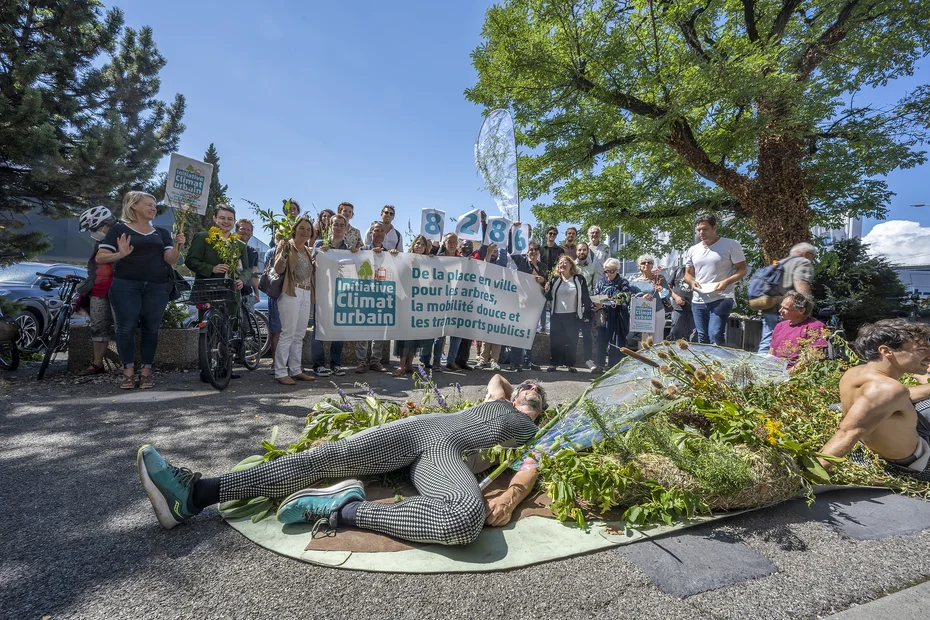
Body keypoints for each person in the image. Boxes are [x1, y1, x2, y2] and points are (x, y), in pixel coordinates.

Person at [137, 375, 548, 545]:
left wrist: (510, 499)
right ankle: (194, 495)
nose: (531, 390)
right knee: (329, 456)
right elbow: (497, 380)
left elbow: (531, 465)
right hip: (423, 428)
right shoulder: (499, 398)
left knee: (463, 520)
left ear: (540, 407)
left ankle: (344, 509)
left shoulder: (536, 429)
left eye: (537, 394)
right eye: (526, 389)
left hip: (444, 455)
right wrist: (516, 388)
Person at [818, 319, 930, 481]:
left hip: (872, 446)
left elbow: (900, 397)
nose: (928, 355)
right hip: (914, 464)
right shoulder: (887, 390)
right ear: (886, 351)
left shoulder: (855, 372)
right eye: (921, 350)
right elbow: (847, 434)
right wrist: (809, 475)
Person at [96, 191, 184, 389]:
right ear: (134, 205)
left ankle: (145, 373)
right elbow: (100, 257)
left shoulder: (161, 233)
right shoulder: (119, 229)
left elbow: (170, 260)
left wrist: (178, 245)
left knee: (151, 330)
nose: (154, 208)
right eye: (149, 204)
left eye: (155, 205)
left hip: (157, 287)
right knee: (125, 328)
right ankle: (127, 373)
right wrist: (120, 254)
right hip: (125, 286)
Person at [185, 205, 249, 382]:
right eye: (222, 218)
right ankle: (206, 370)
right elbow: (191, 260)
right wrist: (211, 268)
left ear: (234, 221)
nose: (226, 222)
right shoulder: (203, 237)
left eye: (229, 219)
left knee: (227, 331)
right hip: (208, 290)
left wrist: (241, 280)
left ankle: (224, 368)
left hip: (230, 292)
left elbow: (247, 269)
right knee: (209, 331)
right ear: (214, 218)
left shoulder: (240, 244)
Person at [684, 214, 747, 345]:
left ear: (714, 228)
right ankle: (706, 365)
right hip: (698, 299)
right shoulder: (693, 250)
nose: (701, 232)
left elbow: (742, 270)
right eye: (698, 230)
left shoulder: (731, 245)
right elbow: (687, 275)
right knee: (703, 337)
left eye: (705, 229)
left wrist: (726, 282)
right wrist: (692, 282)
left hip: (722, 297)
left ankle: (719, 364)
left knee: (715, 334)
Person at [270, 217, 317, 385]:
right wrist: (282, 253)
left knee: (299, 335)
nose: (305, 232)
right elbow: (278, 269)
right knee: (288, 333)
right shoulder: (286, 245)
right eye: (302, 228)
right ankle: (280, 371)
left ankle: (296, 370)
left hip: (306, 293)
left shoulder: (308, 250)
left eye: (308, 230)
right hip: (291, 291)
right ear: (295, 229)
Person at [76, 206, 118, 375]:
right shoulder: (100, 241)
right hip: (98, 290)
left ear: (104, 224)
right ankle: (97, 363)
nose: (93, 232)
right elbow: (94, 264)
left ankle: (127, 364)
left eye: (93, 228)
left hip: (118, 289)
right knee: (98, 327)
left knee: (122, 327)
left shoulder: (123, 235)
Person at [311, 214, 353, 377]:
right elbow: (311, 266)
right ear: (330, 226)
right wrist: (319, 254)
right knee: (318, 329)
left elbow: (351, 271)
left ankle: (336, 364)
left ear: (346, 228)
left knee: (339, 329)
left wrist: (354, 255)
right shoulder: (320, 244)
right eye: (335, 224)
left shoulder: (348, 249)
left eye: (342, 225)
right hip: (322, 292)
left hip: (340, 293)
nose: (338, 228)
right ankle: (318, 365)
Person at [758, 242, 819, 353]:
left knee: (767, 341)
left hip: (768, 306)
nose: (813, 260)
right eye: (813, 257)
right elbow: (800, 284)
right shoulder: (803, 262)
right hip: (788, 309)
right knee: (787, 343)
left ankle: (761, 367)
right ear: (806, 253)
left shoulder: (779, 263)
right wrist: (806, 307)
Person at [355, 222, 399, 374]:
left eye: (382, 231)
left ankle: (375, 361)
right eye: (376, 231)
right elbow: (356, 269)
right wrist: (368, 256)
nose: (380, 233)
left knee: (379, 330)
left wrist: (394, 256)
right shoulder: (363, 250)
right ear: (371, 233)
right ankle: (361, 361)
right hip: (365, 294)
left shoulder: (389, 252)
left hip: (381, 296)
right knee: (362, 329)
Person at [393, 235, 434, 376]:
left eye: (422, 244)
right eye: (417, 243)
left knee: (415, 336)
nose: (419, 246)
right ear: (413, 244)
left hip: (419, 303)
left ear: (425, 248)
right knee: (405, 336)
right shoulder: (405, 258)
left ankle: (410, 365)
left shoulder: (428, 262)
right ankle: (401, 366)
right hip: (406, 301)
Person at [544, 255, 592, 373]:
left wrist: (587, 312)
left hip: (573, 315)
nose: (562, 265)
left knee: (571, 340)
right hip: (557, 314)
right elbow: (549, 297)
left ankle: (570, 364)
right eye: (560, 263)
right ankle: (554, 363)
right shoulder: (555, 279)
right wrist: (546, 290)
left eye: (565, 262)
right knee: (555, 340)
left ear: (571, 265)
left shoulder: (579, 279)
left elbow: (585, 296)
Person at [422, 232, 460, 370]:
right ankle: (436, 360)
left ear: (458, 244)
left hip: (456, 301)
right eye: (449, 241)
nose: (452, 244)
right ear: (444, 243)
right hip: (440, 300)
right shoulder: (437, 259)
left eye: (454, 242)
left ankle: (451, 361)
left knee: (457, 333)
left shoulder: (462, 260)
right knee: (439, 332)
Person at [592, 257, 633, 372]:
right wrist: (597, 304)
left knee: (617, 340)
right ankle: (599, 365)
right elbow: (595, 296)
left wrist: (616, 300)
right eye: (606, 271)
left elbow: (627, 296)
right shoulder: (600, 283)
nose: (608, 274)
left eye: (611, 271)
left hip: (618, 315)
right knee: (601, 339)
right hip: (603, 314)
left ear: (617, 270)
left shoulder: (623, 282)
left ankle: (614, 366)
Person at [511, 241, 547, 371]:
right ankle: (515, 362)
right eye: (531, 249)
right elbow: (513, 251)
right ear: (527, 251)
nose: (533, 252)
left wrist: (543, 281)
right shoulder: (522, 262)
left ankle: (527, 361)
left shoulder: (543, 266)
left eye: (535, 250)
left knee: (530, 333)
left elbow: (546, 284)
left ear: (538, 252)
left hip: (535, 304)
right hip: (521, 303)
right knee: (518, 332)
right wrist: (513, 232)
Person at [768, 291, 827, 366]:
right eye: (781, 307)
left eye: (785, 308)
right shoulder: (780, 326)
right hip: (774, 371)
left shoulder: (815, 327)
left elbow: (812, 357)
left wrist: (788, 373)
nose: (780, 310)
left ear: (801, 310)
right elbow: (771, 352)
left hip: (796, 374)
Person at [475, 243, 506, 371]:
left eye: (496, 251)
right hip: (487, 302)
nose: (494, 253)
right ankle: (483, 359)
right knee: (486, 333)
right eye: (492, 251)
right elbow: (485, 265)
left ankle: (494, 360)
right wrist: (488, 252)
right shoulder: (486, 263)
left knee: (497, 334)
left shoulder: (502, 265)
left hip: (500, 302)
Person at [631, 254, 670, 346]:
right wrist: (642, 296)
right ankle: (642, 359)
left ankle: (656, 359)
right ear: (639, 266)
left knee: (657, 340)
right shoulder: (634, 282)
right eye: (643, 263)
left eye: (649, 262)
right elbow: (632, 297)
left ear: (652, 265)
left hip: (658, 311)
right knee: (643, 341)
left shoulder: (660, 279)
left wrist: (662, 290)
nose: (647, 264)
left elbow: (669, 294)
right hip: (642, 314)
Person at [574, 243, 600, 372]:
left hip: (587, 305)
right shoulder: (571, 266)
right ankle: (570, 361)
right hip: (572, 304)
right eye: (579, 250)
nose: (581, 252)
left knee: (587, 334)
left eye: (584, 250)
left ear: (588, 251)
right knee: (571, 333)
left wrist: (594, 303)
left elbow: (595, 287)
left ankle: (588, 360)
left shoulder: (592, 268)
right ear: (576, 251)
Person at [538, 226, 564, 334]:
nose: (552, 235)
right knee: (542, 305)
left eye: (554, 234)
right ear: (546, 235)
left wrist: (553, 277)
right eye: (550, 233)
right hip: (542, 280)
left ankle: (555, 327)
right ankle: (542, 326)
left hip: (555, 279)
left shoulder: (560, 250)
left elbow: (560, 264)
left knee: (555, 303)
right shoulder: (540, 249)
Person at [262, 237, 283, 361]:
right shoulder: (271, 252)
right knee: (276, 330)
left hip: (288, 293)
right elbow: (269, 272)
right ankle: (275, 362)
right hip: (275, 293)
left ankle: (288, 362)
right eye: (279, 237)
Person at [666, 263, 695, 341]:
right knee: (676, 331)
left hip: (695, 308)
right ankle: (674, 351)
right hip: (678, 307)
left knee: (694, 334)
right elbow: (667, 287)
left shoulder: (700, 271)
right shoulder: (679, 270)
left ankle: (692, 351)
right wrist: (676, 297)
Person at [235, 219, 261, 305]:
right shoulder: (228, 247)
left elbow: (253, 273)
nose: (245, 232)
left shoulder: (253, 252)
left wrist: (256, 293)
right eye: (242, 229)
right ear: (236, 230)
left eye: (248, 230)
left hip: (246, 294)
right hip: (230, 292)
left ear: (252, 233)